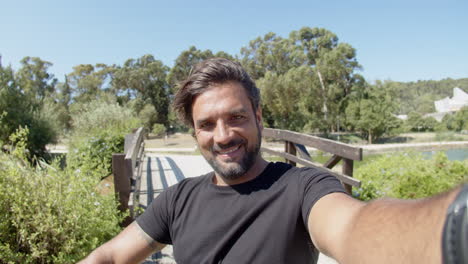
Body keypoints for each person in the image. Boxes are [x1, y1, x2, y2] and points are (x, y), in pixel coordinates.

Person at [79, 58, 466, 264]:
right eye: (206, 124)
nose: (223, 135)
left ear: (259, 117)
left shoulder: (302, 188)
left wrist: (454, 229)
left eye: (237, 117)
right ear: (195, 133)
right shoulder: (178, 199)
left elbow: (354, 228)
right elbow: (111, 255)